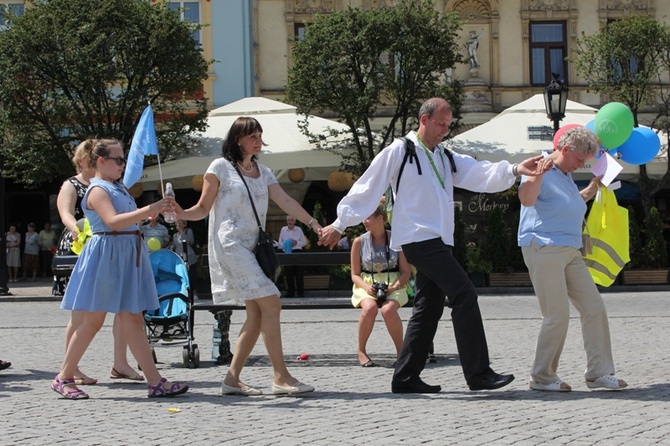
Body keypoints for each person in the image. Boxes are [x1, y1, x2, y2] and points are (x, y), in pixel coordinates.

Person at [319, 97, 548, 393]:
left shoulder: (444, 156)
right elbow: (368, 185)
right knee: (464, 294)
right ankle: (478, 373)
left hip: (438, 240)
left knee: (429, 307)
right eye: (440, 124)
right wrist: (340, 224)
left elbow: (478, 173)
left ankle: (405, 378)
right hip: (417, 238)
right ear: (424, 120)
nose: (444, 130)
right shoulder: (401, 150)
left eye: (448, 125)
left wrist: (516, 169)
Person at [174, 116, 318, 396]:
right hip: (229, 245)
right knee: (272, 302)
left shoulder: (263, 172)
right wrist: (180, 213)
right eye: (252, 135)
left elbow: (285, 201)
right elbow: (203, 208)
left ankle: (231, 379)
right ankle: (281, 376)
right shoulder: (219, 167)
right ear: (238, 139)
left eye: (260, 135)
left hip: (252, 247)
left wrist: (313, 223)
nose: (258, 140)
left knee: (256, 312)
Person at [53, 138, 188, 400]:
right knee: (92, 321)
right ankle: (64, 376)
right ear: (101, 161)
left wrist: (147, 215)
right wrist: (150, 208)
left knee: (133, 319)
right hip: (107, 255)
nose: (123, 164)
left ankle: (155, 381)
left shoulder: (117, 188)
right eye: (118, 159)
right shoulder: (98, 189)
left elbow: (126, 219)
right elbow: (113, 222)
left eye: (123, 159)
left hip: (125, 253)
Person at [517, 126, 628, 392]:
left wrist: (593, 187)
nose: (581, 165)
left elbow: (568, 204)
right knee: (557, 315)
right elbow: (527, 199)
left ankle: (598, 373)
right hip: (544, 248)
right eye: (580, 160)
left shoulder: (565, 174)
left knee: (594, 308)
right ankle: (541, 377)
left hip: (570, 250)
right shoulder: (540, 165)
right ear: (565, 149)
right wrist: (536, 175)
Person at [56, 140, 141, 386]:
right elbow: (66, 214)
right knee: (82, 311)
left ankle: (120, 362)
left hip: (111, 246)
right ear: (82, 159)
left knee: (123, 308)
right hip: (83, 245)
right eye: (86, 155)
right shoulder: (73, 185)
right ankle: (70, 367)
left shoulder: (110, 184)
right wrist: (79, 231)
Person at [350, 205, 411, 367]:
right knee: (369, 308)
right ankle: (361, 351)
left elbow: (406, 272)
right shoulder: (359, 242)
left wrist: (395, 286)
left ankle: (401, 353)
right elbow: (354, 274)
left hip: (393, 284)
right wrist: (366, 287)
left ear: (380, 218)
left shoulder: (397, 240)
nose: (364, 221)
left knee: (388, 309)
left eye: (368, 217)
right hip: (366, 285)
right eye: (363, 218)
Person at [278, 215, 307, 297]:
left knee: (299, 273)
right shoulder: (283, 229)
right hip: (287, 252)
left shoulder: (298, 229)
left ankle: (300, 292)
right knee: (288, 273)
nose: (290, 222)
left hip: (297, 251)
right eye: (288, 220)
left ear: (294, 221)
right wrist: (286, 244)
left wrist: (296, 243)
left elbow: (304, 242)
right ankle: (290, 292)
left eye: (291, 220)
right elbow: (280, 243)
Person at [170, 219, 198, 297]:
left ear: (184, 224)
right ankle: (184, 292)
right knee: (182, 275)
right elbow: (175, 245)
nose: (178, 225)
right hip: (180, 257)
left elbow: (189, 241)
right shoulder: (175, 235)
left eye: (180, 223)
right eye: (176, 224)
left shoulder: (188, 231)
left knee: (191, 274)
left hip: (189, 256)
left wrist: (182, 232)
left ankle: (194, 293)